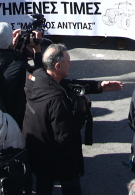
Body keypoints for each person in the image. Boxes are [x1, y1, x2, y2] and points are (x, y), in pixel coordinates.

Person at [23, 44, 123, 195]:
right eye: (68, 61)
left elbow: (67, 84)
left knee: (43, 186)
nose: (71, 63)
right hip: (61, 159)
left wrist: (98, 86)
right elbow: (66, 136)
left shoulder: (36, 78)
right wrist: (82, 112)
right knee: (71, 188)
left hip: (38, 152)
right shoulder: (57, 101)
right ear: (57, 66)